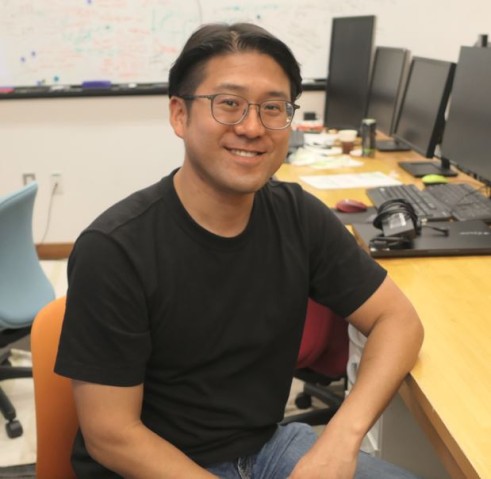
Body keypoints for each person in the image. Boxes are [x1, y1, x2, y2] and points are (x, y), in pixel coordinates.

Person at [55, 22, 424, 479]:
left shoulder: (298, 216)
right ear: (179, 115)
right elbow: (111, 434)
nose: (252, 127)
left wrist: (340, 437)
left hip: (267, 449)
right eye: (228, 104)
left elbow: (398, 320)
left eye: (273, 108)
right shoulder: (115, 249)